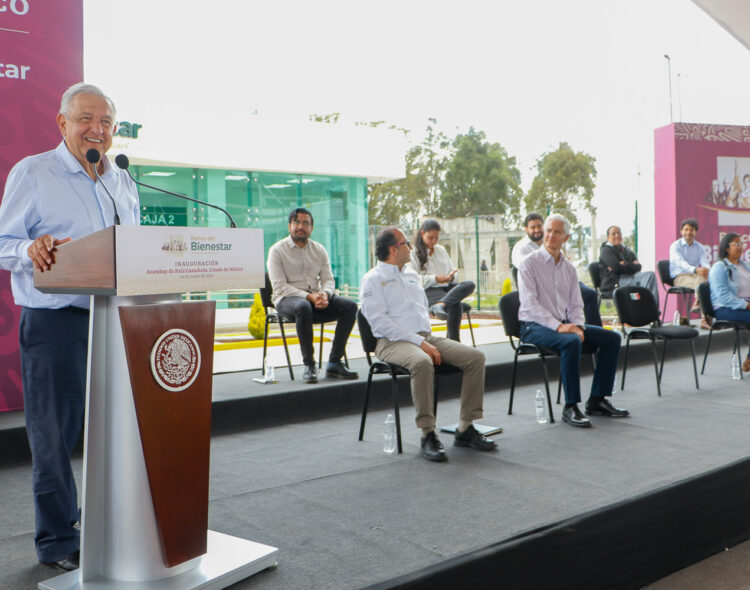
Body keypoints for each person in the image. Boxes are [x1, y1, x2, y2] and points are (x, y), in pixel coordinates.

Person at [0, 83, 140, 572]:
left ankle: (114, 523)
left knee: (118, 427)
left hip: (115, 318)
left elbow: (134, 247)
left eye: (105, 122)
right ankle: (58, 539)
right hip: (55, 320)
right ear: (62, 123)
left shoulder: (121, 178)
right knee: (55, 435)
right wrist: (29, 250)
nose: (96, 129)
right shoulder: (34, 172)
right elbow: (3, 243)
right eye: (85, 119)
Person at [360, 227, 496, 461]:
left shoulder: (411, 274)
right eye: (406, 244)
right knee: (422, 362)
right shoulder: (372, 279)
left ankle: (465, 429)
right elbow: (380, 324)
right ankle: (427, 433)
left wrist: (425, 340)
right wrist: (419, 342)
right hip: (390, 342)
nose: (411, 248)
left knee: (476, 357)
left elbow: (421, 310)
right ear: (393, 249)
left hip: (424, 337)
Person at [518, 214, 628, 428]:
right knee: (571, 341)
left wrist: (577, 325)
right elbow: (530, 306)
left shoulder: (568, 268)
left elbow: (576, 305)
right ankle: (570, 406)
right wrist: (561, 327)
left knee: (612, 339)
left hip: (563, 324)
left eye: (556, 232)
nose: (550, 235)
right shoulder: (528, 264)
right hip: (532, 326)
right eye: (548, 230)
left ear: (565, 238)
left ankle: (597, 400)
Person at [267, 208, 358, 383]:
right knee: (303, 306)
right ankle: (309, 365)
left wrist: (325, 294)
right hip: (286, 300)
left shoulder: (319, 250)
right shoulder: (277, 250)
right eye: (297, 222)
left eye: (306, 223)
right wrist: (308, 297)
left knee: (350, 306)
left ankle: (334, 363)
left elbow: (328, 279)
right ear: (289, 226)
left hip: (315, 299)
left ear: (312, 227)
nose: (301, 226)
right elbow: (279, 286)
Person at [511, 212, 602, 326]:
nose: (537, 230)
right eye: (532, 227)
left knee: (590, 294)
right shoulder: (521, 248)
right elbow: (526, 268)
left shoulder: (551, 242)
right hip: (540, 284)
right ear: (526, 230)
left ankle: (590, 329)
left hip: (559, 278)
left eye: (539, 226)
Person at [409, 219, 475, 342]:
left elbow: (452, 270)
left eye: (436, 238)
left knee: (469, 284)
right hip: (429, 290)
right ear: (422, 233)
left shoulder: (441, 250)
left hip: (447, 288)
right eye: (430, 237)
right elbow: (413, 279)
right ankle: (455, 342)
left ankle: (441, 305)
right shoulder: (412, 252)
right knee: (455, 305)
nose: (433, 241)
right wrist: (435, 278)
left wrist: (451, 277)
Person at [708, 233, 750, 371]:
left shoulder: (745, 265)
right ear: (727, 248)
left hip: (745, 304)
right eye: (735, 244)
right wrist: (746, 305)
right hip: (725, 308)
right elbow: (723, 296)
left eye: (741, 244)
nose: (739, 247)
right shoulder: (719, 267)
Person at [669, 218, 711, 329]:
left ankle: (699, 305)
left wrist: (706, 269)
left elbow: (705, 262)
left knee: (704, 278)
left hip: (695, 277)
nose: (688, 232)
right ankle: (704, 318)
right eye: (686, 230)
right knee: (702, 284)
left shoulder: (700, 247)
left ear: (695, 232)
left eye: (691, 230)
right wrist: (695, 270)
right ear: (681, 231)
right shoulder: (675, 246)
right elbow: (681, 263)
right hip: (679, 277)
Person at [599, 225, 659, 303]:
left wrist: (625, 264)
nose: (617, 235)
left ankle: (650, 309)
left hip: (630, 277)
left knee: (650, 276)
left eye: (619, 233)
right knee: (648, 278)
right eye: (613, 234)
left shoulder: (626, 250)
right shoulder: (606, 251)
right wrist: (630, 265)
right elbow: (617, 268)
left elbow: (638, 267)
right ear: (608, 237)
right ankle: (650, 308)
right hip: (616, 281)